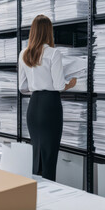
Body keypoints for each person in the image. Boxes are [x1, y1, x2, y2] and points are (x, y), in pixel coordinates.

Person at [19, 15, 77, 181]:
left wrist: (37, 84)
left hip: (33, 104)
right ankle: (49, 197)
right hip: (50, 105)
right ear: (48, 32)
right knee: (50, 156)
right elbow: (59, 86)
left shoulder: (24, 53)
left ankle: (35, 195)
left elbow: (22, 88)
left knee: (36, 153)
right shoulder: (53, 53)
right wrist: (70, 83)